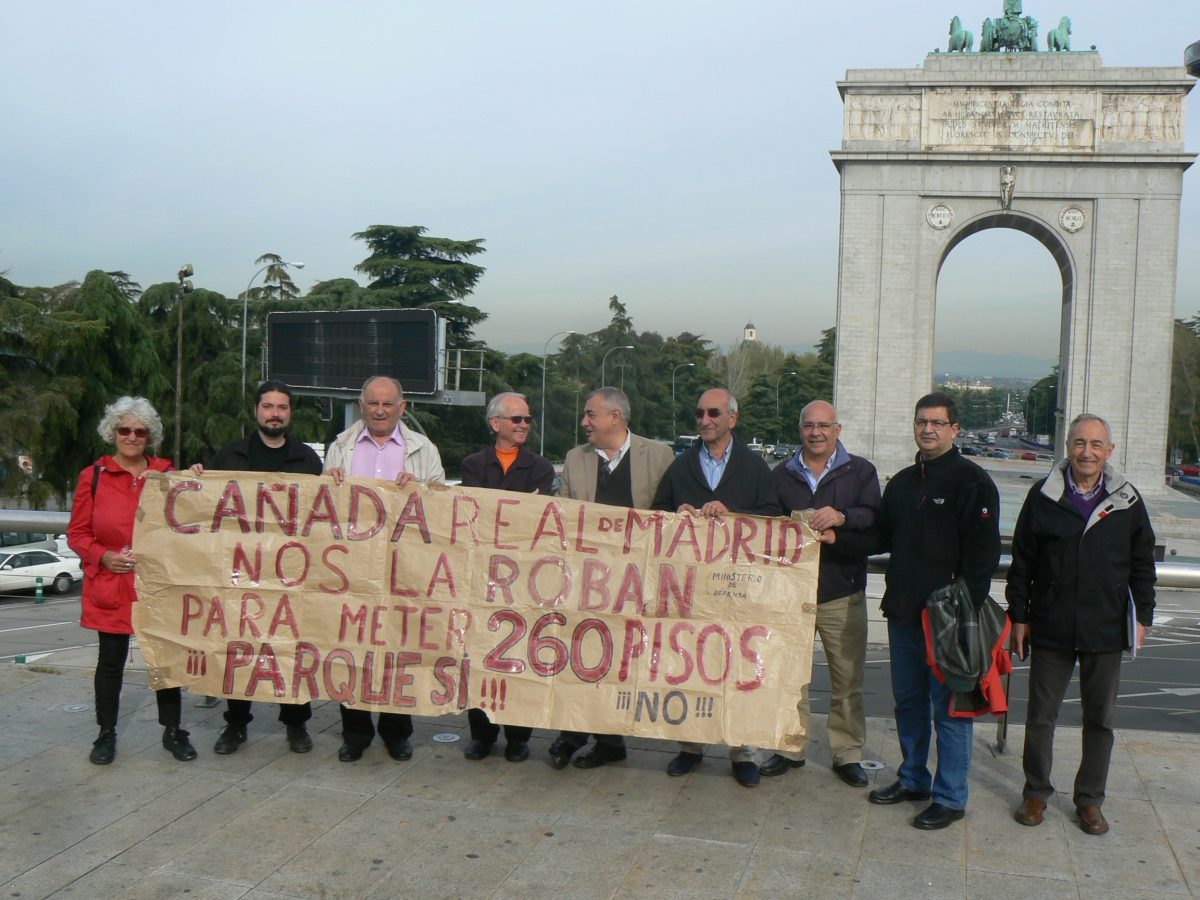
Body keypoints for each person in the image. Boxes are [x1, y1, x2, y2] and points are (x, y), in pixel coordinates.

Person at [833, 392, 1000, 829]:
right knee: (908, 704)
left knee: (950, 711)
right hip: (904, 614)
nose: (928, 429)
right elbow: (880, 538)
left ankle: (950, 797)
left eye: (937, 423)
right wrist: (837, 537)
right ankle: (913, 779)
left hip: (947, 622)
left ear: (954, 429)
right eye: (921, 421)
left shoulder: (973, 481)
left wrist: (963, 615)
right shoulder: (904, 481)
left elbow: (983, 559)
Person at [1007, 414, 1155, 836]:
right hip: (1050, 625)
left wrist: (1141, 615)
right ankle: (1036, 791)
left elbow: (1143, 563)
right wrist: (1019, 614)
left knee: (1100, 720)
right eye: (1078, 443)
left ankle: (1090, 800)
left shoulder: (1127, 499)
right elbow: (1022, 561)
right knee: (1040, 718)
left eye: (1095, 445)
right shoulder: (1043, 495)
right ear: (1067, 447)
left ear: (1109, 451)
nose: (1086, 452)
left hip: (1106, 628)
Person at [651, 388, 781, 787]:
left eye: (713, 413)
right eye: (699, 413)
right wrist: (678, 515)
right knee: (690, 665)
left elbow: (774, 516)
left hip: (740, 589)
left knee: (739, 669)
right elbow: (655, 515)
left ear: (732, 419)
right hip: (692, 588)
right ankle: (690, 746)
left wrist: (734, 514)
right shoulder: (681, 465)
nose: (705, 420)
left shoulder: (754, 466)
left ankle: (743, 751)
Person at [190, 381, 323, 756]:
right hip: (240, 573)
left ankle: (296, 724)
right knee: (239, 648)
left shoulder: (308, 461)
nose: (275, 413)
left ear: (290, 414)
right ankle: (235, 725)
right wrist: (197, 477)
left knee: (291, 649)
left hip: (291, 573)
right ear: (256, 410)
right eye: (268, 406)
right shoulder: (229, 456)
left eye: (282, 407)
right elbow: (205, 507)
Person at [548, 387, 674, 770]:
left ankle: (606, 739)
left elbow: (668, 515)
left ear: (615, 418)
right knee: (582, 657)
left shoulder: (659, 456)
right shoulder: (575, 458)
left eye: (591, 414)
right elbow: (567, 513)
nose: (584, 422)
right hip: (587, 581)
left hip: (636, 582)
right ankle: (578, 734)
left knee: (618, 662)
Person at [67, 396, 197, 765]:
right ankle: (105, 733)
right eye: (125, 429)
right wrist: (102, 555)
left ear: (149, 436)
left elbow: (192, 521)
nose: (132, 436)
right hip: (111, 583)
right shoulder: (92, 477)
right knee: (110, 662)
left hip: (156, 585)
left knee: (164, 660)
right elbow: (77, 533)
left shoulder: (168, 476)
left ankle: (173, 731)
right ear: (113, 433)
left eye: (140, 431)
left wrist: (199, 478)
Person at [325, 375, 445, 762]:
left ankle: (397, 733)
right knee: (352, 646)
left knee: (398, 647)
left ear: (402, 407)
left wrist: (422, 489)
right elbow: (321, 510)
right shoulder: (340, 447)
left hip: (403, 567)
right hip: (351, 565)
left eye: (387, 404)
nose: (379, 410)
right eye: (373, 403)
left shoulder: (423, 450)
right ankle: (355, 732)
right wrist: (327, 484)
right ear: (362, 405)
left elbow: (444, 507)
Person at [764, 400, 880, 787]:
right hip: (791, 594)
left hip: (841, 590)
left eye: (824, 426)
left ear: (838, 429)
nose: (816, 432)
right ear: (800, 430)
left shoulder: (861, 471)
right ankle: (789, 746)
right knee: (789, 676)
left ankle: (846, 753)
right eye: (809, 425)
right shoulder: (781, 474)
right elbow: (765, 522)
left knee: (847, 678)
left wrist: (842, 520)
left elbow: (874, 518)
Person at [459, 392, 555, 763]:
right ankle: (481, 735)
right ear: (495, 423)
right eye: (516, 419)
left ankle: (518, 736)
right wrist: (519, 505)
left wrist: (504, 508)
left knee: (521, 656)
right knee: (480, 654)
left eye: (528, 419)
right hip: (481, 575)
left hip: (525, 578)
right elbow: (476, 514)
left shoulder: (541, 467)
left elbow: (536, 518)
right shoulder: (472, 464)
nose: (524, 425)